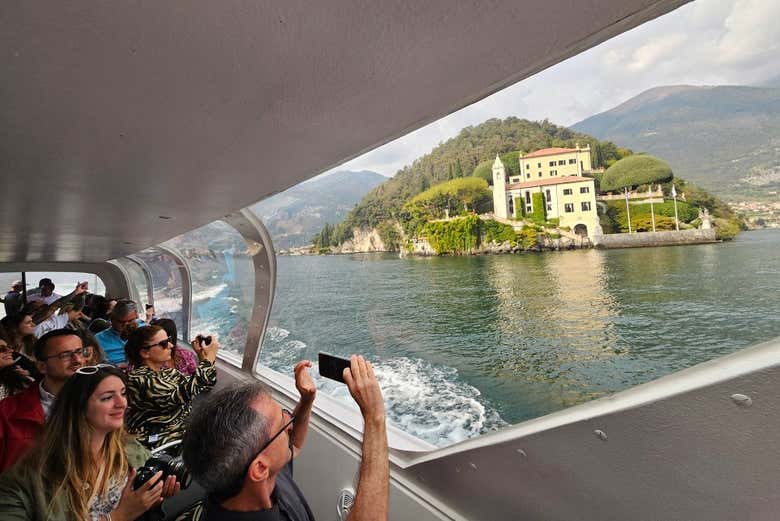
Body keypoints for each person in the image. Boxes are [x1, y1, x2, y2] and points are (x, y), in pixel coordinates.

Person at [180, 355, 389, 521]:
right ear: (260, 468)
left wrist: (306, 399)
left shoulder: (249, 474)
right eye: (283, 423)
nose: (291, 421)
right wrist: (375, 418)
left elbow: (294, 445)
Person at [0, 365, 181, 520]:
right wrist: (117, 517)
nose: (122, 404)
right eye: (107, 398)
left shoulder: (132, 451)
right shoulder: (24, 481)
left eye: (123, 394)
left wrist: (154, 498)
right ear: (78, 407)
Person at [0, 329, 91, 472]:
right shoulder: (7, 410)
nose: (77, 360)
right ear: (42, 366)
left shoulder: (102, 401)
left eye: (80, 352)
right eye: (65, 355)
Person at [124, 326, 218, 451]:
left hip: (184, 433)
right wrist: (209, 359)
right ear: (145, 353)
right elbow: (178, 396)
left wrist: (202, 357)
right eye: (163, 344)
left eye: (168, 340)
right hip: (161, 443)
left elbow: (206, 384)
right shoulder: (138, 379)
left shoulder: (168, 373)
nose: (171, 345)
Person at [95, 299, 141, 365]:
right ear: (112, 319)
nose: (125, 325)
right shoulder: (98, 339)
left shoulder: (145, 331)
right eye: (121, 322)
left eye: (130, 321)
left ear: (136, 317)